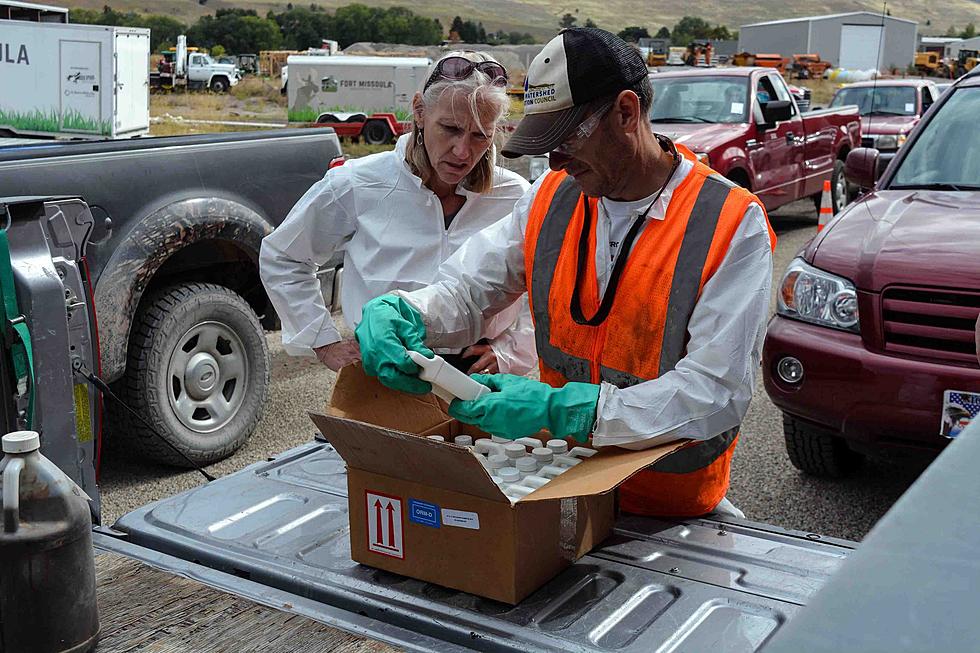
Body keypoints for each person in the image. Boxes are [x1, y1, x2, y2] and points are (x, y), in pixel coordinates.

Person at [354, 28, 776, 519]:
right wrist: (408, 311)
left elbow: (715, 393)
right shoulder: (552, 196)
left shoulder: (728, 223)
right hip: (562, 488)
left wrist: (567, 412)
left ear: (625, 112)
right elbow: (470, 290)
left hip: (669, 505)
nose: (553, 160)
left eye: (566, 137)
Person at [260, 51, 536, 376]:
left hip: (478, 377)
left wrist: (512, 349)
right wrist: (323, 342)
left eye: (480, 136)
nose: (462, 151)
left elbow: (544, 285)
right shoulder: (358, 182)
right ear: (420, 112)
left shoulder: (515, 196)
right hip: (383, 369)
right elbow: (284, 257)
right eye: (449, 128)